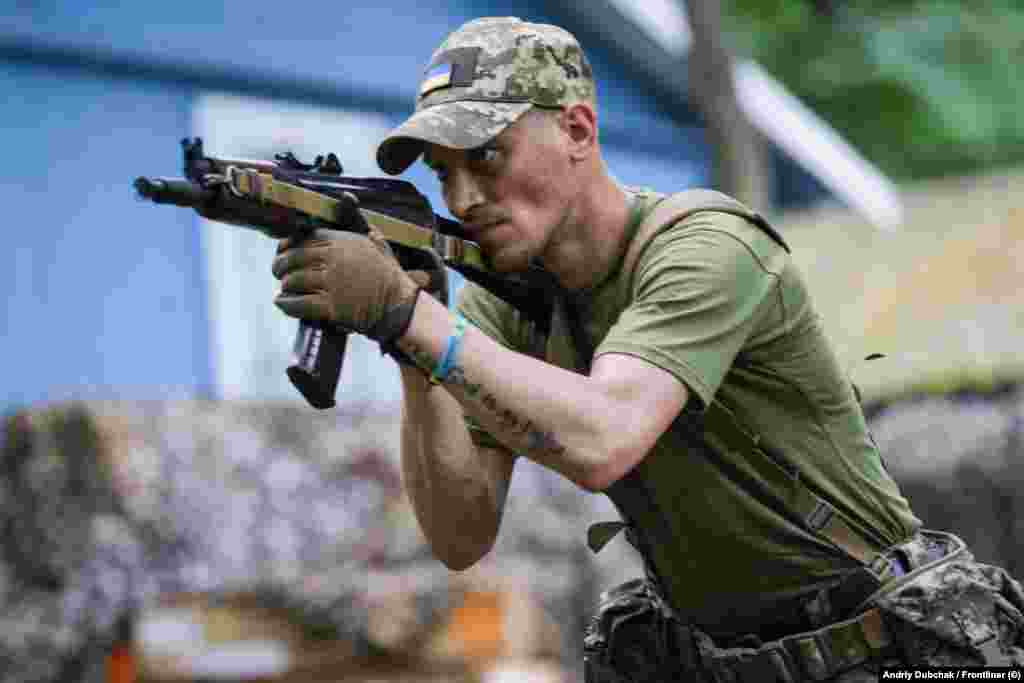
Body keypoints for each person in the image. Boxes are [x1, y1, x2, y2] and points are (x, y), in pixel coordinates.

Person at [271, 16, 1024, 681]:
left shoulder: (705, 246)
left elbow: (605, 435)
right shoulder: (504, 302)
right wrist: (411, 351)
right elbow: (460, 533)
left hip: (885, 646)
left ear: (577, 131)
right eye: (445, 173)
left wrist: (409, 316)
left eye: (488, 157)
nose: (463, 198)